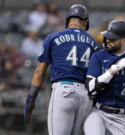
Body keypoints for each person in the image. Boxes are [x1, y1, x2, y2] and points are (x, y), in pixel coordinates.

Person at [24, 4, 99, 135]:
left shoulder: (53, 37)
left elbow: (40, 72)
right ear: (85, 22)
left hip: (64, 91)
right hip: (85, 96)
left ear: (68, 20)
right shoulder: (93, 43)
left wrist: (31, 100)